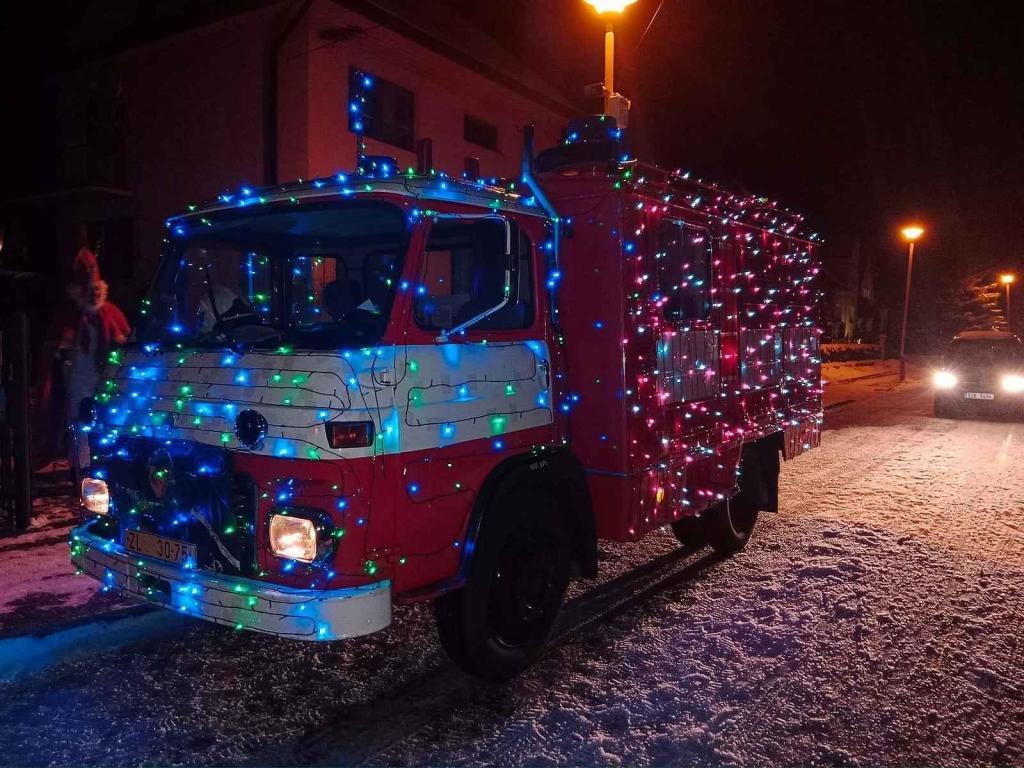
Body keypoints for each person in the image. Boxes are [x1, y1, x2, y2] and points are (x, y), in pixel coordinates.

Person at [51, 247, 131, 477]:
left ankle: (107, 462)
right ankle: (82, 470)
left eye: (96, 290)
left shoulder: (111, 312)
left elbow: (123, 339)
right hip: (78, 377)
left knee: (105, 419)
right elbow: (58, 344)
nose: (93, 295)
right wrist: (63, 351)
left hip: (104, 376)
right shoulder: (71, 315)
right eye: (88, 291)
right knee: (79, 422)